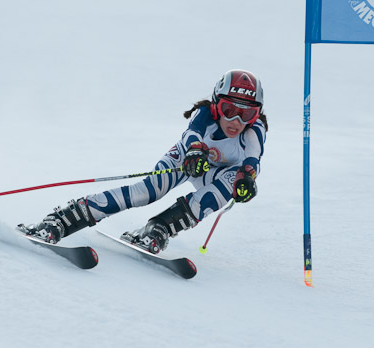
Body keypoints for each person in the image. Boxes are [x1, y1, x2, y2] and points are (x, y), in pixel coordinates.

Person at [19, 69, 268, 254]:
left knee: (226, 188)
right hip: (187, 159)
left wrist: (247, 179)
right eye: (228, 110)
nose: (236, 120)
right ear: (216, 104)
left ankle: (160, 227)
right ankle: (62, 219)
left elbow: (252, 160)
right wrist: (194, 151)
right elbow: (192, 135)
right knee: (148, 192)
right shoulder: (205, 114)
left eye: (246, 113)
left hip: (218, 172)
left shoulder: (254, 130)